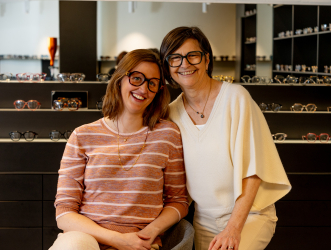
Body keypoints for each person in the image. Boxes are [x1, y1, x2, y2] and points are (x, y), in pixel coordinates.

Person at [160, 27, 291, 250]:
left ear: (206, 59)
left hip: (250, 214)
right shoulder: (170, 114)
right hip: (205, 220)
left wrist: (233, 228)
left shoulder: (236, 98)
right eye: (175, 58)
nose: (185, 64)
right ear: (168, 66)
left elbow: (253, 171)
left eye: (193, 55)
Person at [50, 49, 188, 250]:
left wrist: (150, 232)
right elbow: (64, 212)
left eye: (152, 83)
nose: (143, 88)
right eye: (137, 78)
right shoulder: (82, 136)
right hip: (86, 240)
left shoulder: (168, 134)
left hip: (141, 243)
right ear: (120, 79)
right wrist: (117, 240)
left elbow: (179, 201)